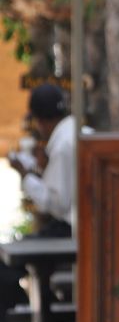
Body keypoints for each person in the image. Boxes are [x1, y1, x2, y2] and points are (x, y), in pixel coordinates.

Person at [8, 83, 76, 238]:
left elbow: (55, 204)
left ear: (40, 121)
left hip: (72, 229)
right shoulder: (74, 130)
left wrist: (24, 174)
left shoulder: (61, 147)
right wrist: (45, 168)